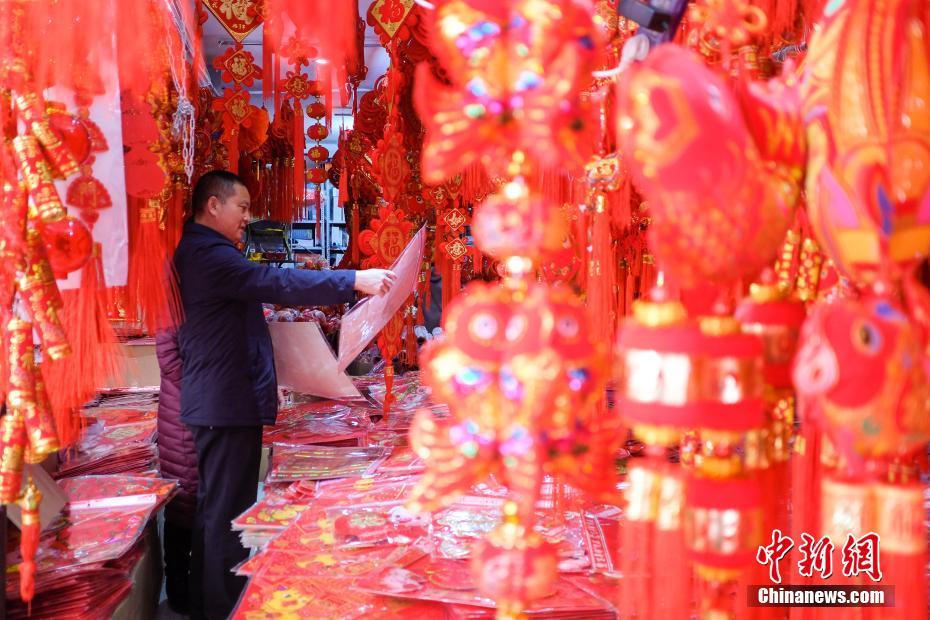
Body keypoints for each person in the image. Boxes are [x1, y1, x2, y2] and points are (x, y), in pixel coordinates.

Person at [174, 170, 396, 619]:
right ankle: (220, 608)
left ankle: (208, 600)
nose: (248, 217)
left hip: (223, 398)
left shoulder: (207, 251)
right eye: (242, 207)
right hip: (223, 401)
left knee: (220, 506)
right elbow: (277, 282)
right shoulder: (209, 255)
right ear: (213, 205)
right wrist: (353, 279)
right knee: (226, 513)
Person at [154, 326, 197, 615]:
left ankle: (189, 587)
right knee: (183, 506)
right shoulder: (171, 307)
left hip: (191, 413)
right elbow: (170, 359)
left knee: (191, 503)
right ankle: (180, 591)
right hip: (184, 417)